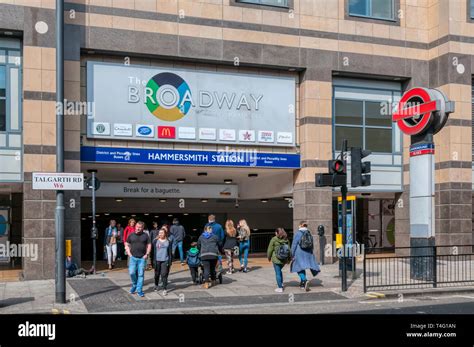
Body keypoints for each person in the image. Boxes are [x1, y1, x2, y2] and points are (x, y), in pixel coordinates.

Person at [290, 221, 320, 292]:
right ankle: (302, 284)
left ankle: (304, 280)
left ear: (300, 225)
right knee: (302, 268)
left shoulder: (298, 233)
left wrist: (291, 254)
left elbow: (294, 244)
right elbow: (311, 244)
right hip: (308, 253)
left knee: (298, 268)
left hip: (299, 253)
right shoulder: (309, 233)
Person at [125, 221, 151, 297]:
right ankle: (134, 285)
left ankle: (139, 290)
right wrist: (129, 253)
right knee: (132, 273)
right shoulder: (131, 235)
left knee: (141, 274)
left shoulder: (146, 235)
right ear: (135, 227)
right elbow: (127, 244)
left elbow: (149, 245)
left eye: (140, 227)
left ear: (142, 228)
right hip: (133, 258)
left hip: (142, 258)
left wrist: (147, 254)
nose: (138, 228)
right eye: (137, 227)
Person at [267, 228, 291, 293]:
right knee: (279, 271)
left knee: (277, 273)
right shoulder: (286, 240)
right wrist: (289, 259)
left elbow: (270, 249)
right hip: (283, 259)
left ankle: (280, 287)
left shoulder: (274, 239)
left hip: (276, 259)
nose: (275, 233)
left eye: (276, 232)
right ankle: (281, 283)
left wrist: (269, 257)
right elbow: (289, 250)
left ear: (277, 233)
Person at [152, 228, 173, 296]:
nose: (160, 234)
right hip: (157, 260)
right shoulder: (155, 241)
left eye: (162, 233)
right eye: (159, 233)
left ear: (165, 234)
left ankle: (164, 289)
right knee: (157, 274)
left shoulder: (168, 241)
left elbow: (170, 253)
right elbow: (152, 252)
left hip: (165, 260)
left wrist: (170, 261)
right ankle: (156, 284)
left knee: (164, 274)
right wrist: (153, 261)